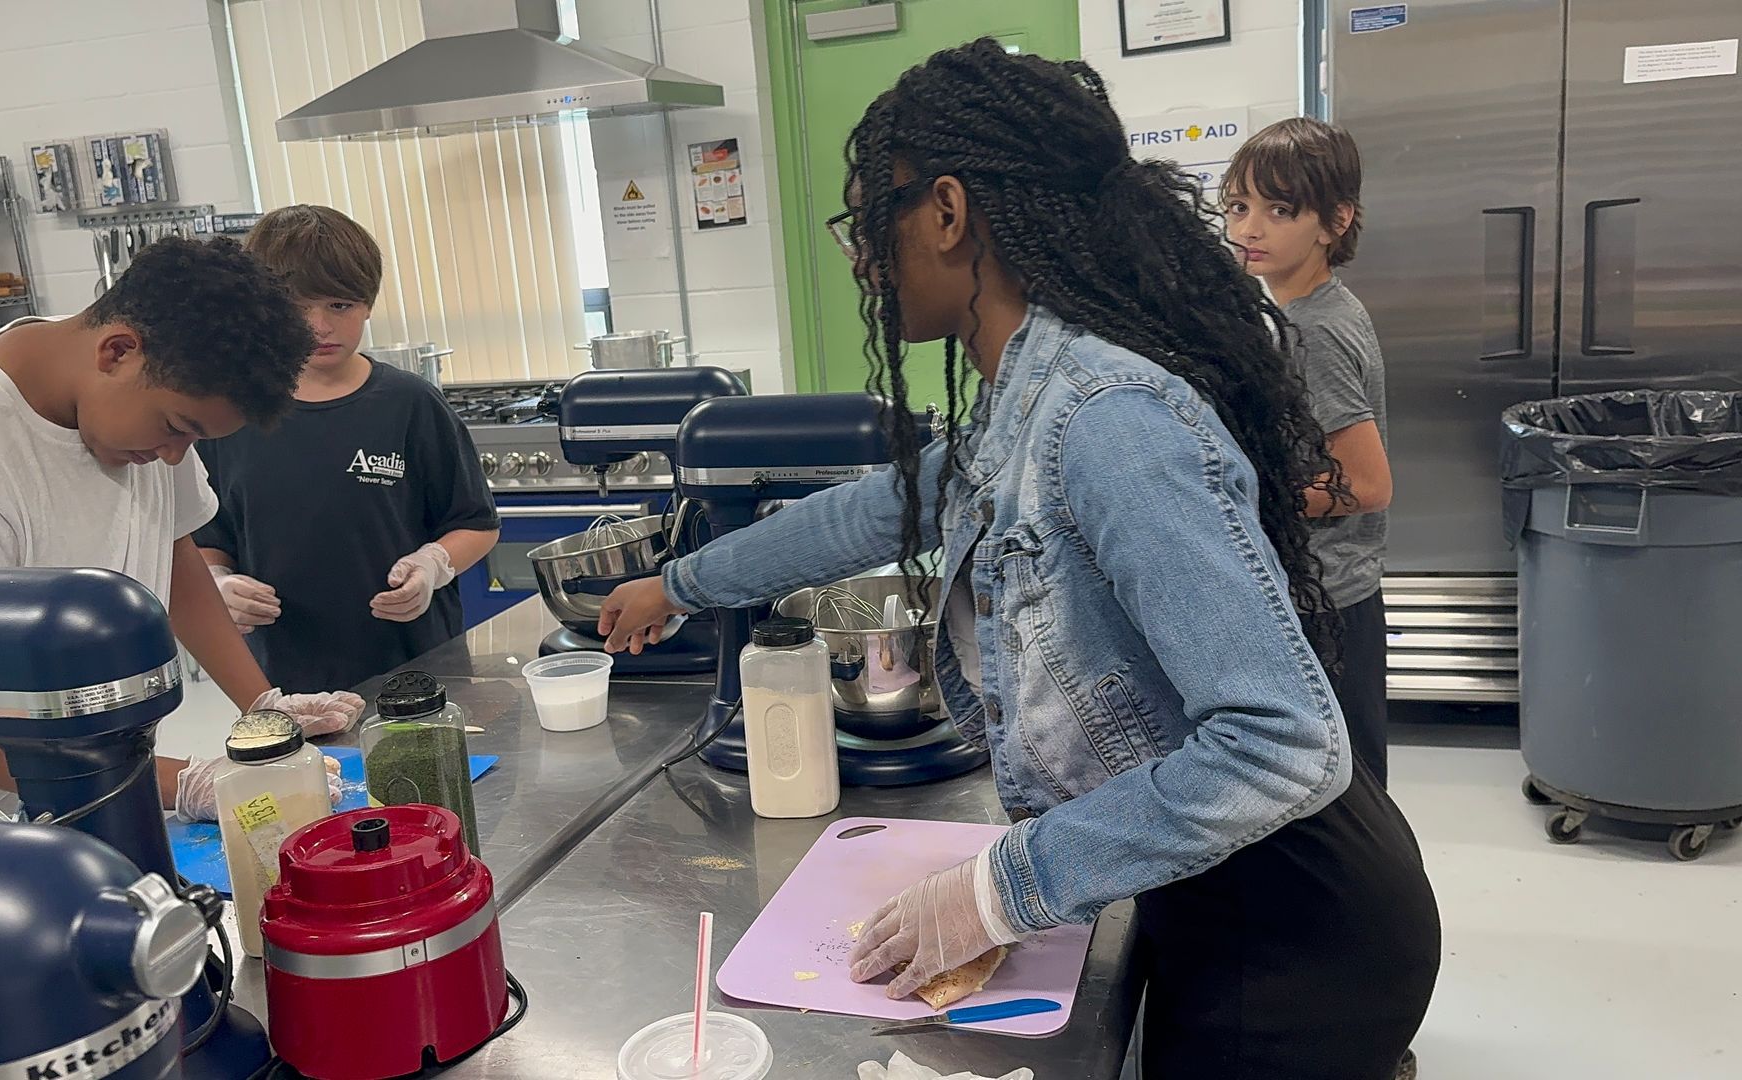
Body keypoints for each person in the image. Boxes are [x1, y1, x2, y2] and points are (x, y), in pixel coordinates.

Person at [599, 41, 1439, 1080]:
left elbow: (1281, 744)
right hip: (1217, 889)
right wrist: (678, 583)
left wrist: (998, 889)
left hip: (1289, 932)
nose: (859, 259)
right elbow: (873, 511)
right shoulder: (1026, 403)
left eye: (868, 223)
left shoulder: (1107, 416)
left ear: (947, 212)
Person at [0, 237, 363, 822]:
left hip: (83, 772)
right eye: (176, 427)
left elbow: (172, 544)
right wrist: (186, 782)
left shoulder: (131, 380)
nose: (176, 456)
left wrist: (264, 708)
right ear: (117, 352)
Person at [1226, 110, 1411, 1080]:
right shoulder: (1293, 312)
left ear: (1335, 221)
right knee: (1337, 811)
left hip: (1331, 606)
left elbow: (1369, 485)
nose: (1250, 227)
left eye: (1278, 210)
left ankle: (1370, 1035)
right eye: (1238, 206)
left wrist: (1254, 494)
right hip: (1323, 599)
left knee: (1344, 823)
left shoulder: (1317, 331)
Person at [195, 205, 499, 692]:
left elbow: (476, 524)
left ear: (368, 304)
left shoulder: (410, 404)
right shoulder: (228, 415)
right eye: (296, 307)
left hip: (419, 668)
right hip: (285, 679)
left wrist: (432, 565)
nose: (319, 326)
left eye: (340, 305)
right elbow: (208, 538)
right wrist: (218, 585)